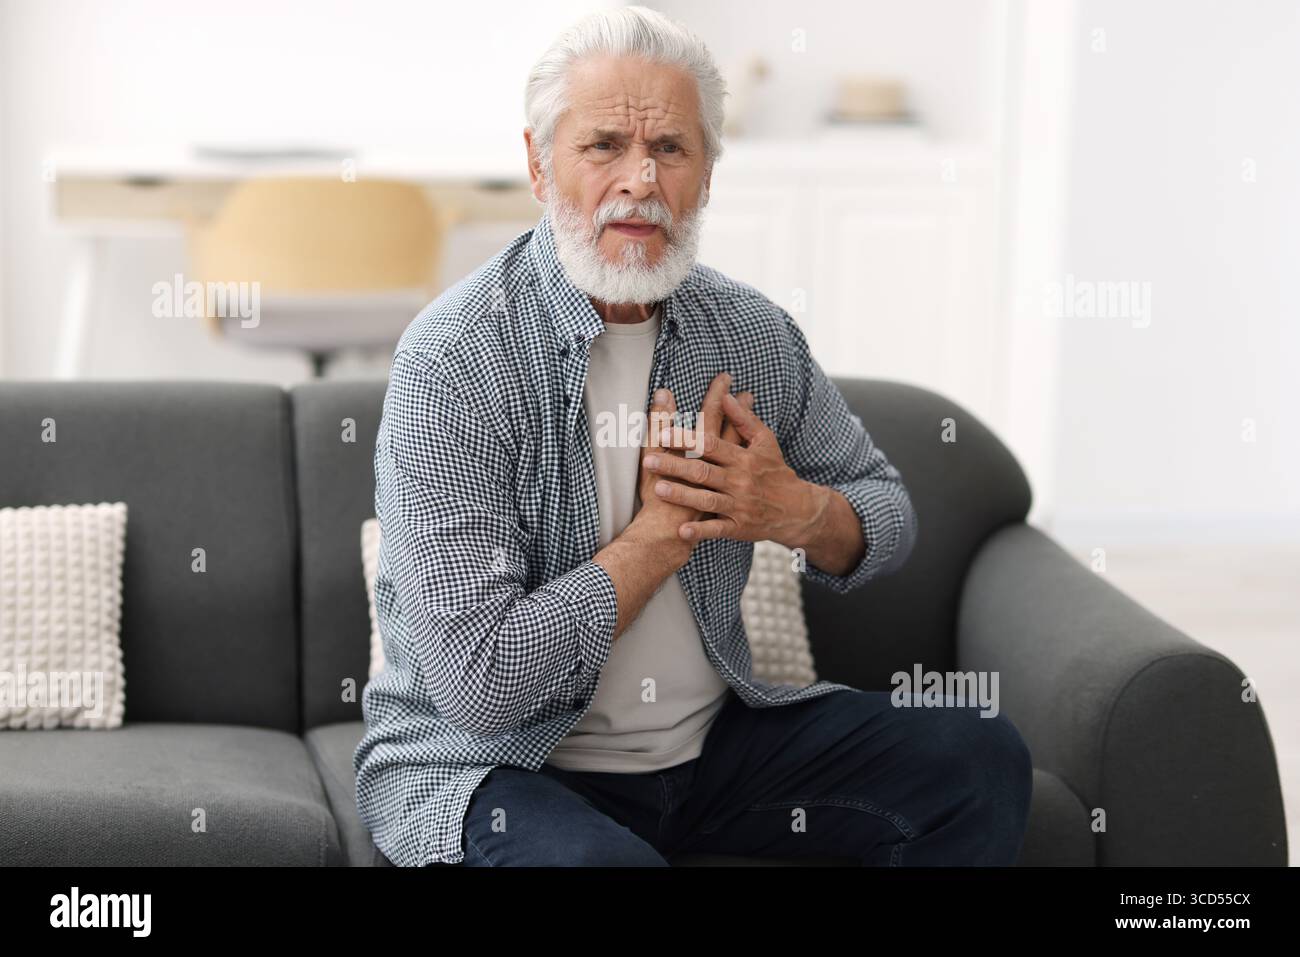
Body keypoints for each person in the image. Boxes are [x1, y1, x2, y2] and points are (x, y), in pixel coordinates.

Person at [354, 5, 1031, 867]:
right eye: (603, 146)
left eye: (670, 148)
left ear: (707, 174)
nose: (639, 180)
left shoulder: (749, 334)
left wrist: (796, 510)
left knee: (980, 757)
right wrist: (654, 541)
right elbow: (479, 685)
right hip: (500, 768)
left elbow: (887, 515)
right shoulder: (455, 361)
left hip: (715, 753)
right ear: (538, 163)